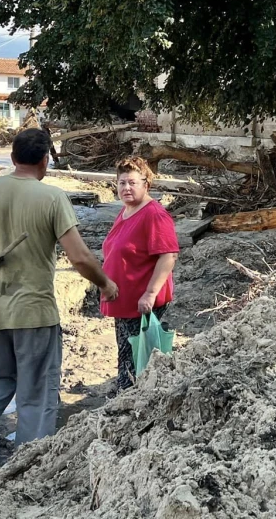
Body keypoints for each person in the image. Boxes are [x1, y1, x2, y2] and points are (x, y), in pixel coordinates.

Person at [0, 128, 119, 465]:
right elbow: (80, 258)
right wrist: (106, 284)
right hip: (34, 312)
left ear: (12, 158)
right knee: (36, 387)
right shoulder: (52, 198)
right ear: (45, 160)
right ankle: (29, 457)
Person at [100, 156, 180, 392]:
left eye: (132, 182)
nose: (126, 188)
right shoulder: (127, 211)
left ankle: (132, 396)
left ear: (146, 184)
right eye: (122, 182)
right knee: (126, 352)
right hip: (123, 299)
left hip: (141, 301)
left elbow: (168, 256)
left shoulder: (154, 215)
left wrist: (150, 293)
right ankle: (125, 393)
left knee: (137, 355)